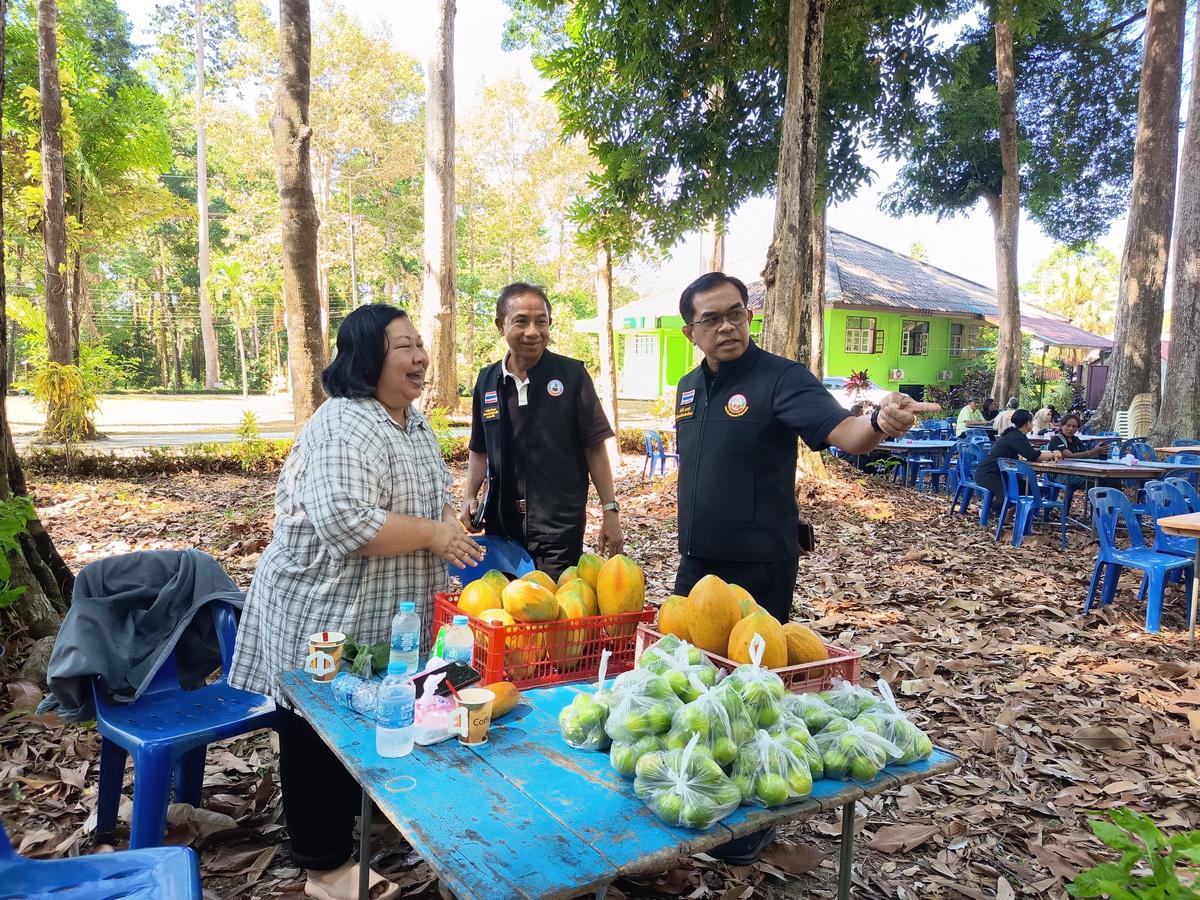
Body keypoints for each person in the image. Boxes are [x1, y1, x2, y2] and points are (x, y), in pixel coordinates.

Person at [671, 272, 938, 864]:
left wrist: (880, 421)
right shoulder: (689, 388)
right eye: (711, 319)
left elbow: (845, 431)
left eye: (736, 313)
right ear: (691, 331)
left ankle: (751, 822)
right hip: (697, 564)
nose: (727, 326)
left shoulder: (781, 378)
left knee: (751, 697)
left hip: (760, 564)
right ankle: (693, 789)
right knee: (689, 685)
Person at [229, 305, 484, 900]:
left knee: (363, 712)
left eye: (421, 345)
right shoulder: (343, 424)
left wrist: (449, 524)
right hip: (319, 616)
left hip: (382, 612)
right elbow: (348, 523)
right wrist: (432, 535)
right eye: (404, 347)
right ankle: (325, 867)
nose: (421, 357)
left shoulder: (412, 423)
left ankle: (361, 824)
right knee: (316, 724)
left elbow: (430, 497)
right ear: (367, 358)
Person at [460, 282, 623, 578]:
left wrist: (610, 511)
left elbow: (594, 447)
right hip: (502, 527)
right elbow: (479, 448)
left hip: (557, 529)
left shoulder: (572, 376)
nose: (533, 332)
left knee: (554, 613)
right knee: (503, 612)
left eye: (541, 321)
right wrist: (470, 495)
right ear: (501, 325)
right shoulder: (488, 380)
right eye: (521, 321)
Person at [973, 408, 1064, 518]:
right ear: (1027, 423)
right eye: (1031, 421)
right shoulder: (1016, 436)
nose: (1033, 424)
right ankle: (988, 510)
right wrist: (1053, 453)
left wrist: (1048, 454)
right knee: (1007, 494)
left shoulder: (1016, 435)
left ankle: (1010, 515)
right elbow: (1033, 455)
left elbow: (1031, 454)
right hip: (988, 474)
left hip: (999, 473)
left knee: (1027, 488)